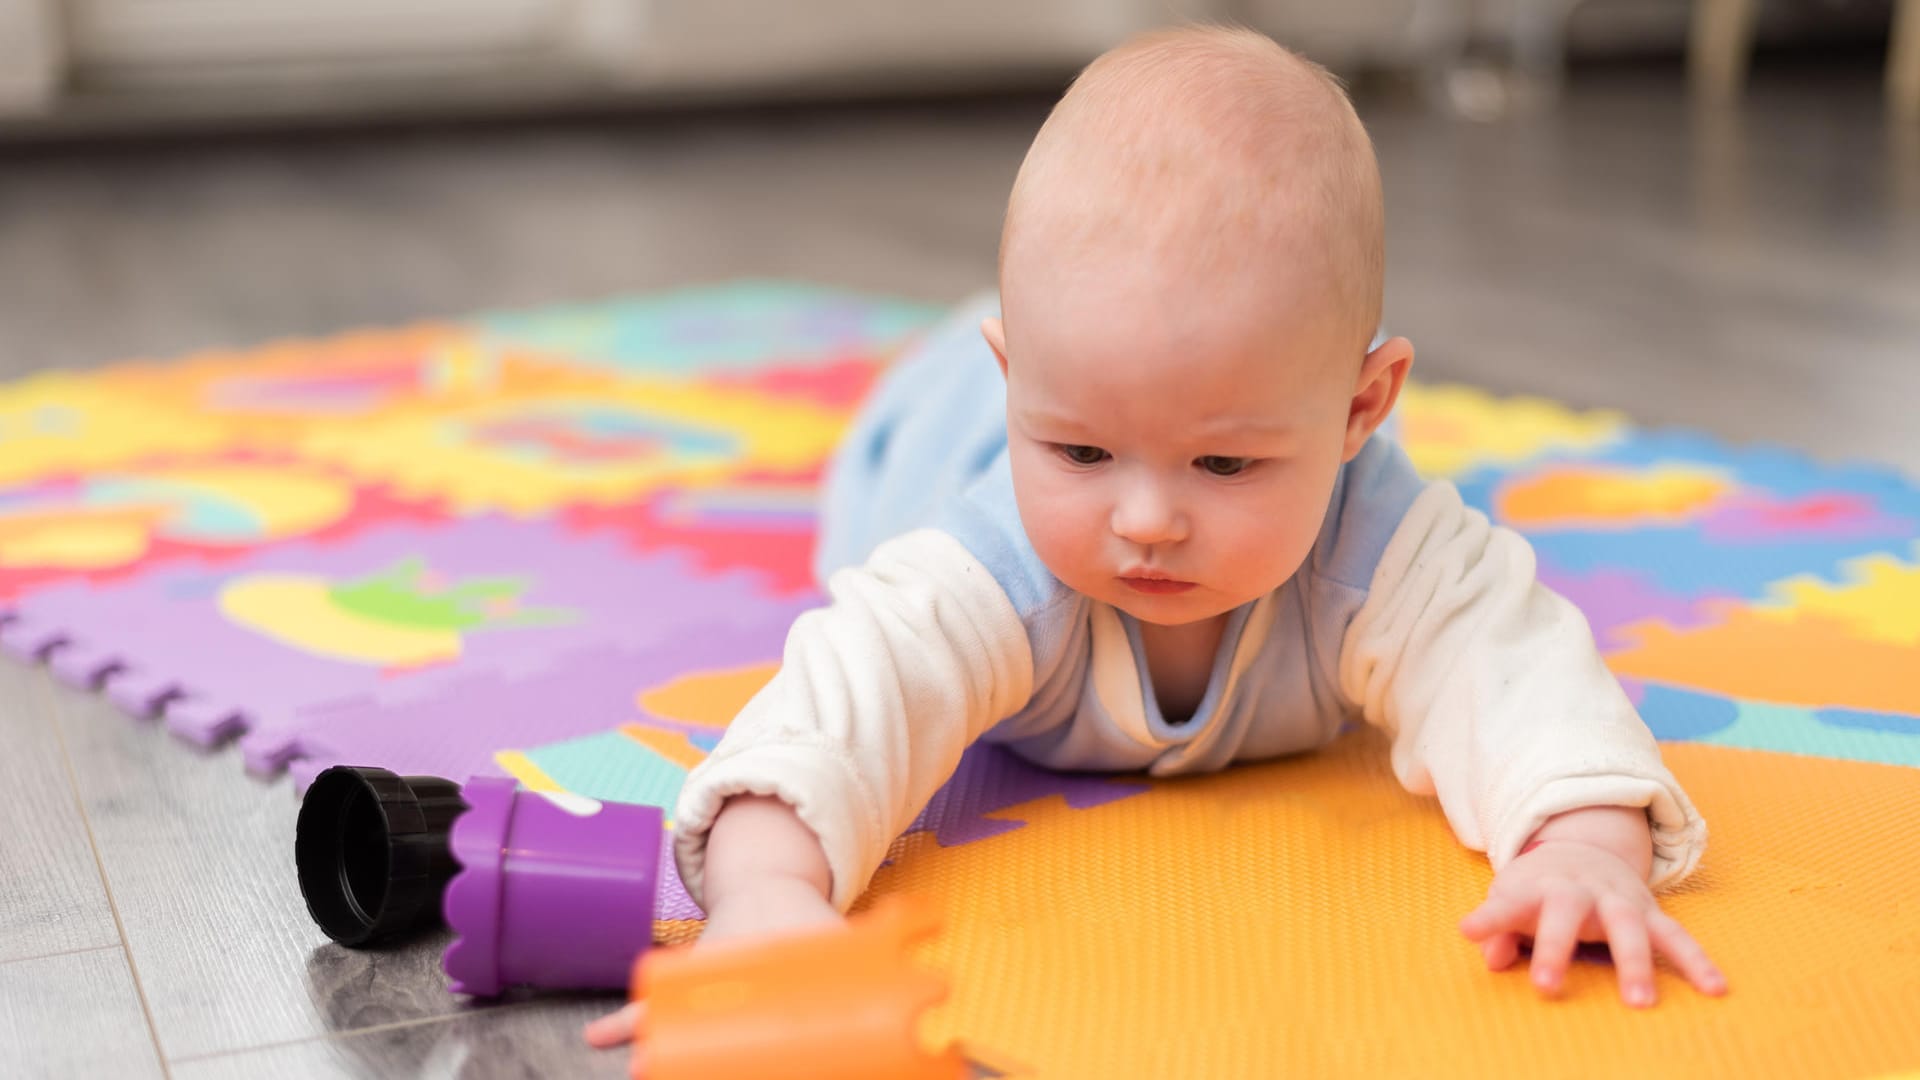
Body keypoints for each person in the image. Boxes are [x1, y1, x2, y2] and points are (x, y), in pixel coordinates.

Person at [588, 23, 1726, 1052]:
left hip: (1159, 382)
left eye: (1224, 463)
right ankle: (986, 366)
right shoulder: (991, 565)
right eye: (1081, 453)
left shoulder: (1386, 548)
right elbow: (833, 712)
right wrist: (766, 895)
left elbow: (1528, 686)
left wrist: (1581, 848)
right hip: (925, 434)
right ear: (1020, 394)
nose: (1144, 521)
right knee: (931, 489)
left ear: (1360, 412)